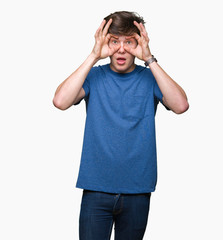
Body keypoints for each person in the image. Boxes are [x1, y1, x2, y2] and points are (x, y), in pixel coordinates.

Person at [53, 11, 189, 240]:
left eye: (129, 42)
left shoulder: (150, 78)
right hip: (96, 188)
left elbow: (181, 105)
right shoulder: (93, 76)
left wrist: (150, 59)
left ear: (139, 43)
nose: (122, 49)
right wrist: (93, 56)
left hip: (137, 189)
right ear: (105, 43)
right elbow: (60, 101)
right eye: (114, 41)